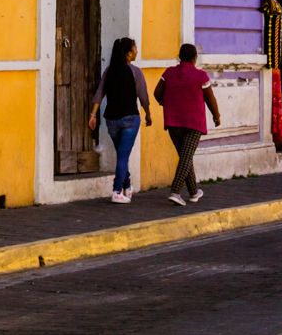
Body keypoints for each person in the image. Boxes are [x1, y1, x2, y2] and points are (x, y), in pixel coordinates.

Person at [87, 36, 151, 204]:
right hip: (130, 119)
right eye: (135, 49)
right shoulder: (135, 72)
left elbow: (99, 94)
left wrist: (93, 115)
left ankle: (127, 186)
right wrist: (148, 114)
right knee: (123, 156)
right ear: (128, 54)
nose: (137, 51)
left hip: (112, 121)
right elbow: (143, 96)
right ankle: (116, 191)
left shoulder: (109, 71)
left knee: (123, 154)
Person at [154, 43, 219, 207]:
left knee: (185, 157)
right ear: (194, 58)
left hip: (173, 122)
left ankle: (194, 192)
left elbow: (157, 93)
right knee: (186, 157)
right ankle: (175, 191)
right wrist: (216, 116)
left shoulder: (168, 73)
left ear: (179, 56)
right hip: (193, 124)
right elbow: (210, 99)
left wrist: (165, 103)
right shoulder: (201, 76)